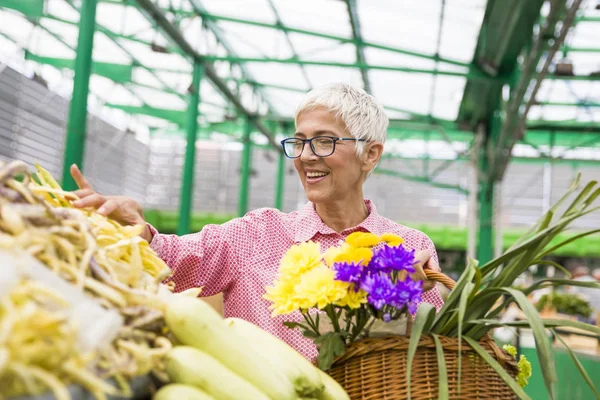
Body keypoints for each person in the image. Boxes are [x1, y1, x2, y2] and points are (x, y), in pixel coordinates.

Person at [69, 83, 445, 361]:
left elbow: (433, 344)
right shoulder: (256, 233)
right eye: (299, 142)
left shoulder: (406, 246)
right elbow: (176, 259)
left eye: (324, 141)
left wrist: (404, 288)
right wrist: (138, 230)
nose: (306, 157)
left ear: (370, 155)